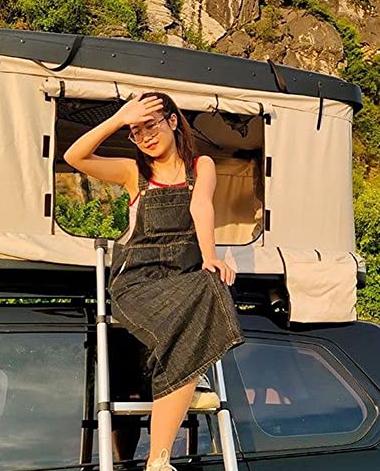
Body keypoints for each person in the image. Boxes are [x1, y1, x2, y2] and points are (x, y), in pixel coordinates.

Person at [63, 91, 245, 471]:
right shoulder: (135, 173)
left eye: (151, 125)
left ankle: (157, 460)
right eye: (136, 131)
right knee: (191, 321)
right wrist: (119, 118)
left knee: (211, 283)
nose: (145, 137)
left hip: (179, 281)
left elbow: (200, 206)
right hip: (137, 282)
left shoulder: (201, 166)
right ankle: (188, 380)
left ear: (173, 121)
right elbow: (74, 157)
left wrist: (210, 257)